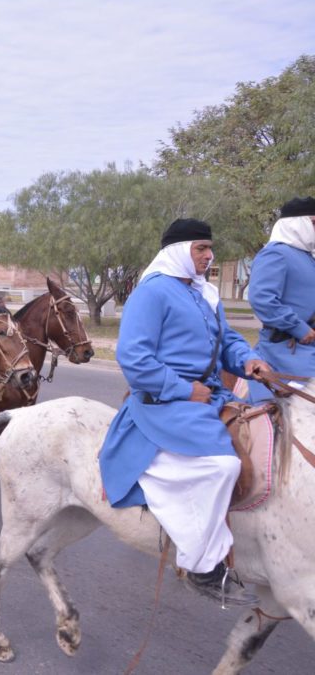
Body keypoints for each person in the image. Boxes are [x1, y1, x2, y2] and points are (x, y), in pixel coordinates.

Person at [98, 218, 271, 607]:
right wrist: (182, 389)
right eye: (201, 249)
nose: (209, 257)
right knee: (223, 466)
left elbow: (226, 341)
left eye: (210, 250)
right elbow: (133, 358)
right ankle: (200, 566)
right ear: (178, 251)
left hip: (206, 396)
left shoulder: (204, 293)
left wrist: (250, 360)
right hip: (166, 402)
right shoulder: (152, 292)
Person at [246, 197, 315, 402]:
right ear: (297, 224)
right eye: (314, 222)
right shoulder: (276, 253)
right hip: (286, 348)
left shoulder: (307, 257)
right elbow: (262, 298)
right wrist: (299, 328)